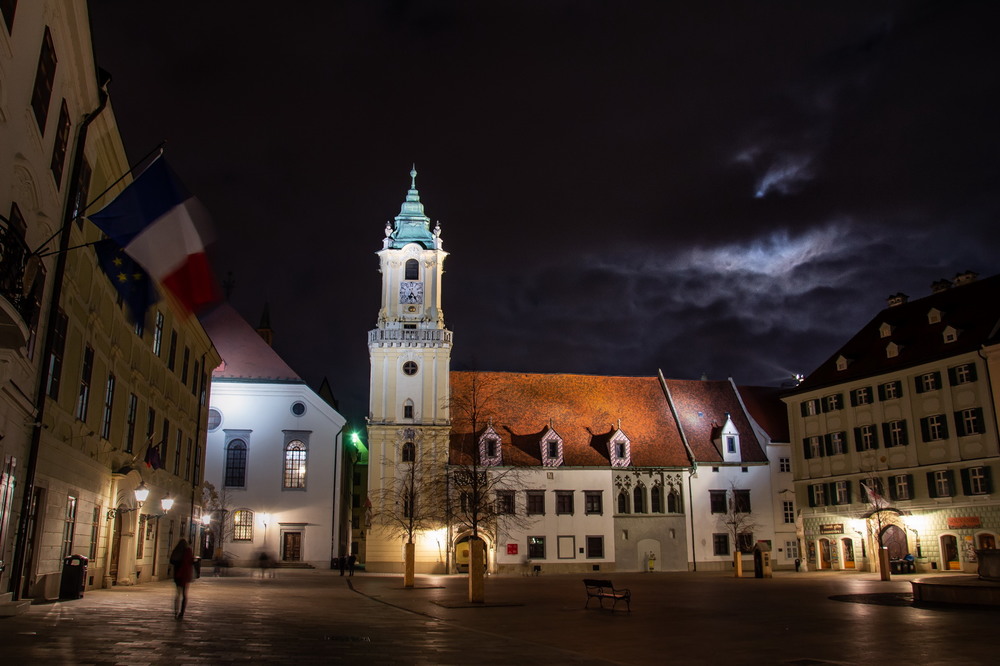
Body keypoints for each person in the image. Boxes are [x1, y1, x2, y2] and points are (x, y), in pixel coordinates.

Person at [170, 539, 195, 620]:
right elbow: (191, 561)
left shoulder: (176, 551)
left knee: (177, 594)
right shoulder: (188, 551)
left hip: (177, 575)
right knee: (184, 594)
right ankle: (182, 613)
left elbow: (172, 561)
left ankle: (176, 611)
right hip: (185, 575)